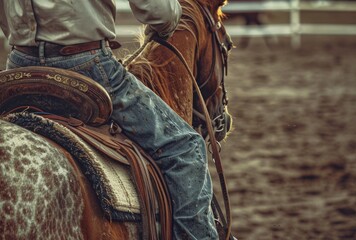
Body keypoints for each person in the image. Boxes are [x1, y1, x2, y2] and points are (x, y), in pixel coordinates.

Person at [0, 0, 219, 239]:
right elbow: (158, 11)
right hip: (86, 65)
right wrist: (169, 21)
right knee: (186, 148)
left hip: (18, 67)